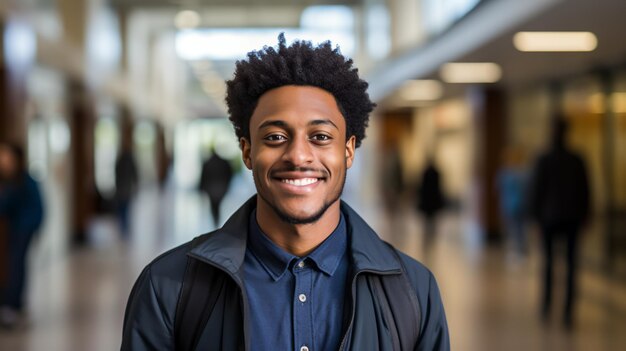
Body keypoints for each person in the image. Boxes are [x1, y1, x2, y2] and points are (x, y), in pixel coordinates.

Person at [121, 34, 449, 350]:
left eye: (320, 136)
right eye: (276, 137)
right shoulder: (168, 286)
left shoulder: (412, 290)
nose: (298, 156)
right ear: (247, 152)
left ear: (348, 151)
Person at [529, 116, 590, 329]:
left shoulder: (545, 159)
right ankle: (567, 310)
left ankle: (547, 305)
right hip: (570, 218)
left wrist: (536, 218)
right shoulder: (576, 159)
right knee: (570, 265)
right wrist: (584, 216)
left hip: (550, 219)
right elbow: (585, 192)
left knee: (549, 264)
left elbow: (537, 191)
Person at [0, 143, 44, 328]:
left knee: (15, 266)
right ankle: (14, 304)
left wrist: (32, 228)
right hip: (14, 229)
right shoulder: (9, 180)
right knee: (15, 266)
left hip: (23, 229)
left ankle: (11, 306)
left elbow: (38, 208)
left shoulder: (25, 181)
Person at [496, 146, 528, 256]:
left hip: (510, 205)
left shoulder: (505, 174)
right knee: (519, 229)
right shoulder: (523, 173)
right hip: (518, 205)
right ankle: (519, 248)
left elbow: (498, 189)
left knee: (514, 229)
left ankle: (517, 249)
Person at [198, 149, 234, 227]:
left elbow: (203, 176)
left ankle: (215, 221)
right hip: (221, 188)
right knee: (217, 205)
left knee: (213, 205)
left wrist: (201, 188)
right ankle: (216, 221)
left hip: (211, 189)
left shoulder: (208, 162)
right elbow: (229, 173)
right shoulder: (223, 162)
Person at [416, 159, 445, 249]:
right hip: (431, 198)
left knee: (429, 217)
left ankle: (429, 232)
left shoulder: (428, 173)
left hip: (429, 198)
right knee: (430, 217)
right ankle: (430, 232)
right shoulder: (435, 173)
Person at [115, 136, 138, 238]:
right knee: (124, 207)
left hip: (122, 187)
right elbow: (134, 173)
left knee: (124, 207)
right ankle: (124, 226)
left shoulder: (122, 158)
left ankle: (123, 226)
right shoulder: (127, 158)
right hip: (125, 187)